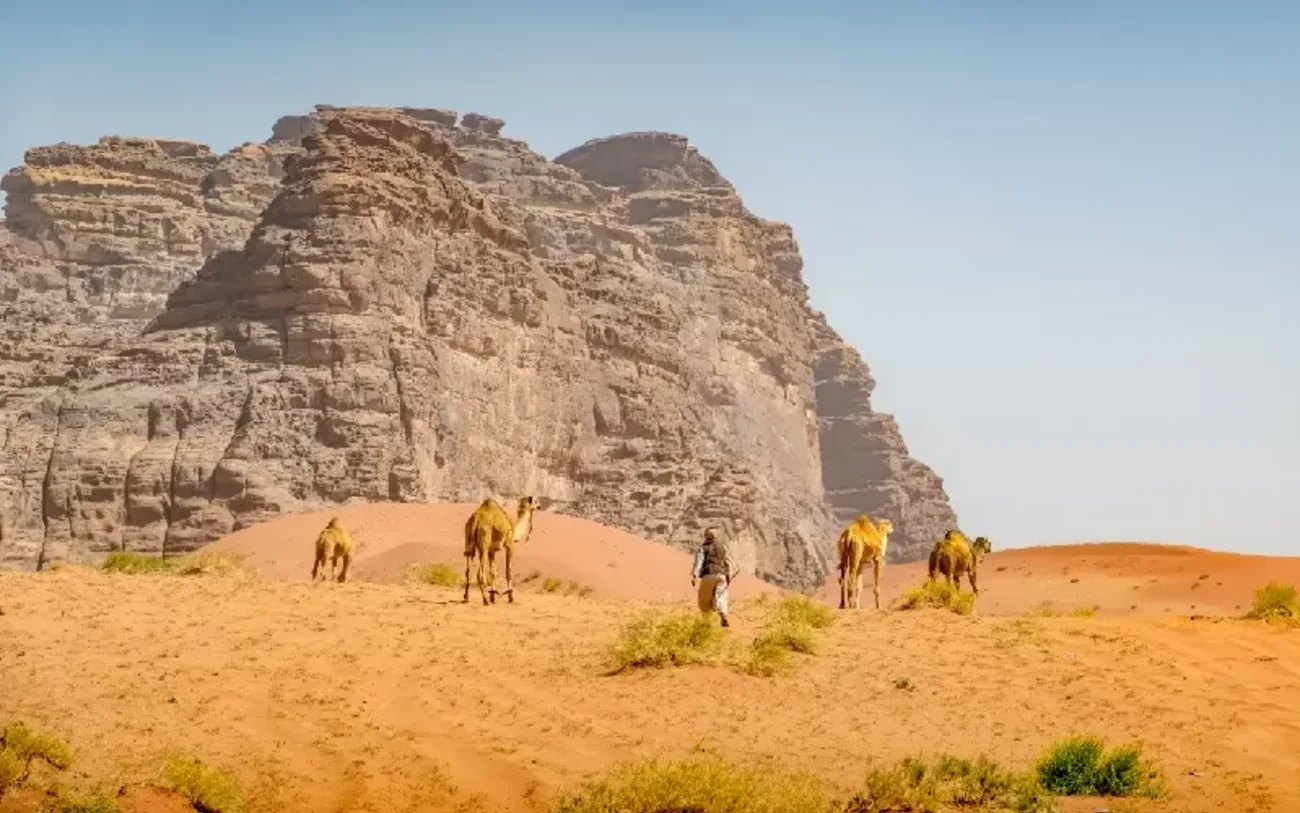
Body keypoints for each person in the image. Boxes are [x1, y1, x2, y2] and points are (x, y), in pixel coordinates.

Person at [691, 527, 734, 627]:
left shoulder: (703, 548)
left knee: (704, 600)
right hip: (722, 576)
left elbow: (699, 562)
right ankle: (723, 613)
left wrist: (695, 575)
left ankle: (706, 622)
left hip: (708, 575)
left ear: (706, 536)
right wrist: (729, 575)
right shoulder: (722, 547)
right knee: (721, 596)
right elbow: (729, 562)